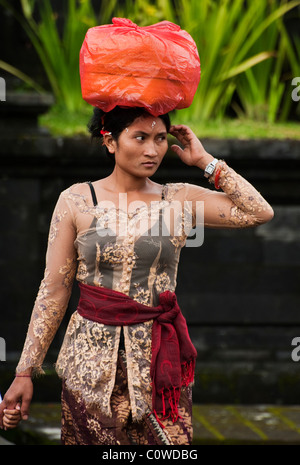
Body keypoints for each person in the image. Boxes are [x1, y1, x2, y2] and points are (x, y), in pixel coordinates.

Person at [0, 106, 274, 445]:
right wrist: (25, 371)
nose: (152, 150)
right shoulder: (76, 200)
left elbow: (258, 211)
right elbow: (55, 288)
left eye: (160, 138)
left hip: (159, 362)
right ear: (110, 141)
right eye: (140, 137)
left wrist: (206, 162)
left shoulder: (177, 199)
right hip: (90, 365)